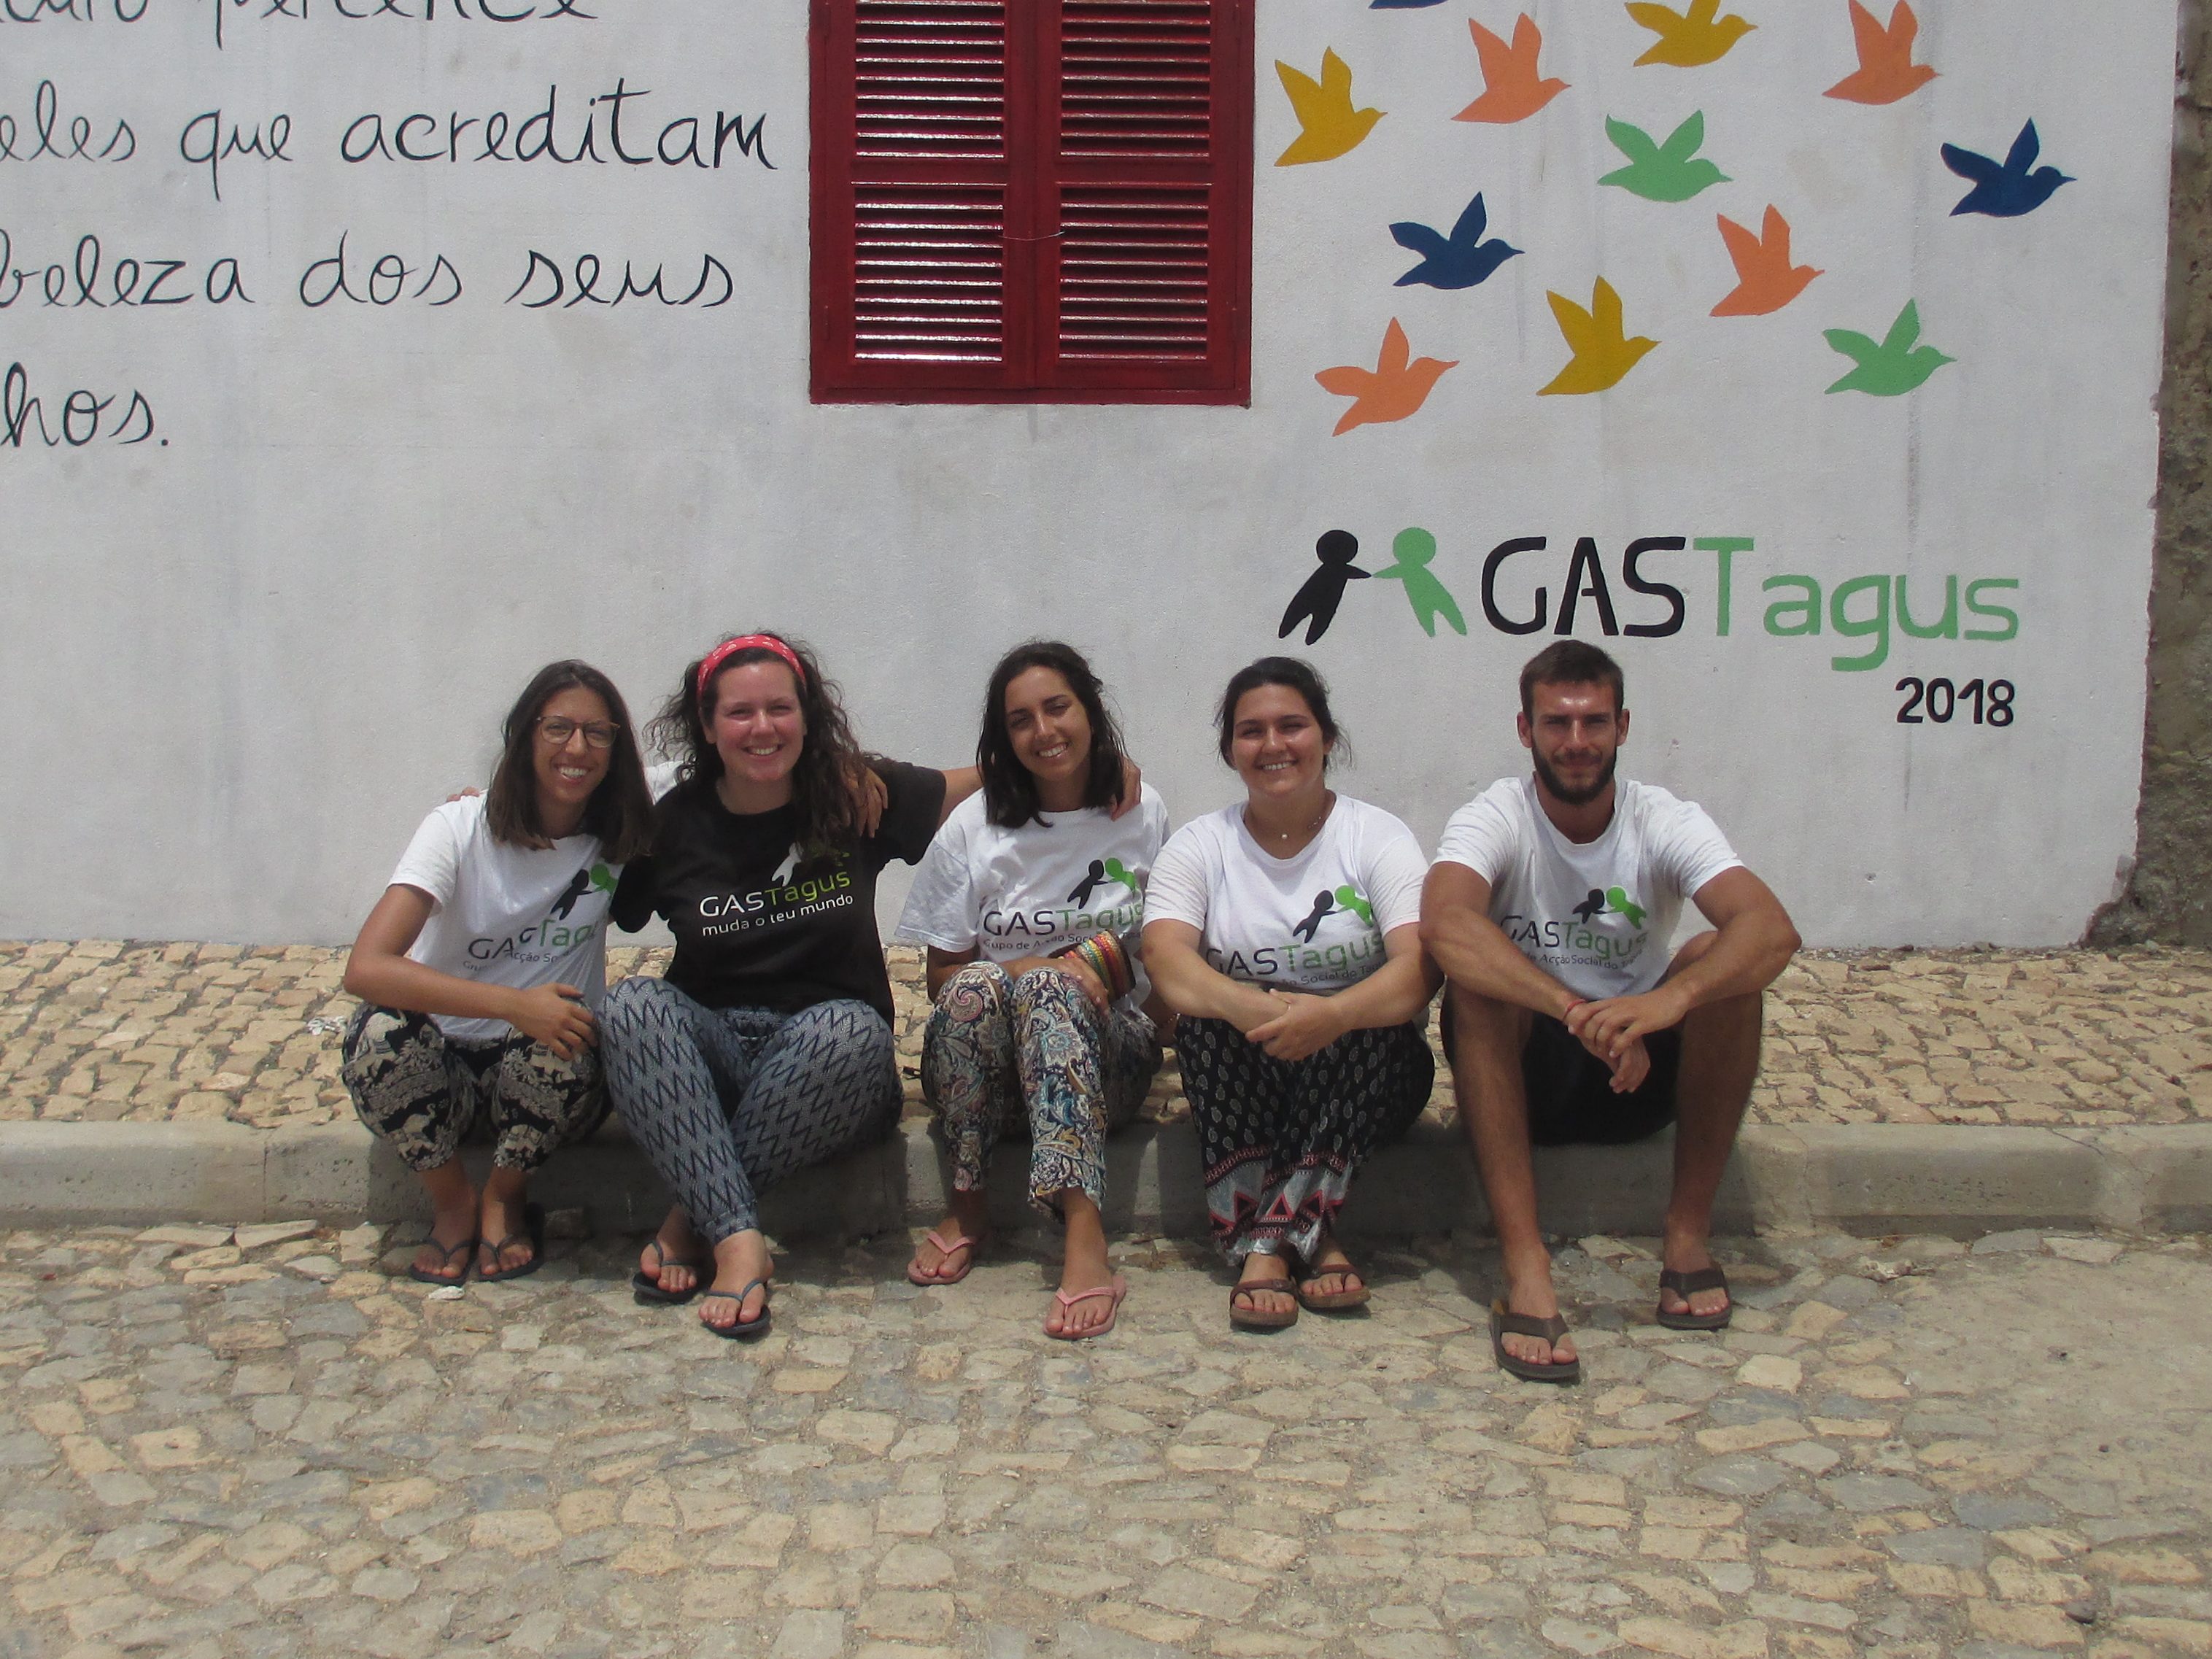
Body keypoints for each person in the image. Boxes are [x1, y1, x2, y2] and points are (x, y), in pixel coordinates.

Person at [1420, 640, 1801, 1384]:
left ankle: (1686, 1237)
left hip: (1641, 1069)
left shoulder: (1661, 817)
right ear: (1526, 730)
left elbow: (1769, 929)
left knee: (1721, 966)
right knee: (1475, 984)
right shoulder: (1495, 814)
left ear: (1622, 727)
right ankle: (1525, 1265)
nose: (1576, 742)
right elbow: (1445, 923)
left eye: (1593, 722)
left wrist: (1666, 1001)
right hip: (1530, 1075)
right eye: (1556, 723)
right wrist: (1573, 1010)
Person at [599, 633, 978, 1338]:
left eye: (780, 708)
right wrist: (478, 812)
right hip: (715, 1060)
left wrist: (1102, 768)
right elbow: (567, 833)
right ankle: (738, 1238)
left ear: (808, 717)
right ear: (707, 726)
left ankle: (692, 1220)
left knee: (847, 1029)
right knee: (629, 1005)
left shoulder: (853, 794)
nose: (763, 728)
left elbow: (989, 779)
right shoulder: (671, 825)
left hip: (835, 1068)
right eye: (739, 713)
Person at [1142, 657, 1440, 1330]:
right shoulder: (1202, 845)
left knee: (1372, 1024)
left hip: (1366, 1076)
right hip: (1253, 1070)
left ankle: (1266, 1245)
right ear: (1230, 750)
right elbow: (1165, 958)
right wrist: (1252, 1007)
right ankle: (1318, 1237)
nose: (1273, 744)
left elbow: (1420, 966)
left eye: (1292, 726)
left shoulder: (1375, 836)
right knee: (1203, 1023)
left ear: (1327, 738)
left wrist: (1332, 1016)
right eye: (1251, 731)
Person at [341, 660, 655, 1285]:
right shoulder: (457, 829)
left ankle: (504, 1196)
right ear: (524, 735)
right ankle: (453, 1200)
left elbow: (737, 759)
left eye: (597, 733)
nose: (577, 749)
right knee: (379, 1036)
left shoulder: (620, 833)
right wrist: (512, 1004)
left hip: (548, 1087)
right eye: (558, 728)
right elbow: (367, 967)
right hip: (447, 1069)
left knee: (570, 1033)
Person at [896, 642, 1169, 1339]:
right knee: (988, 982)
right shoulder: (974, 825)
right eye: (1021, 720)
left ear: (1091, 711)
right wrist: (1021, 969)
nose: (1044, 731)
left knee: (1051, 985)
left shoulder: (1139, 812)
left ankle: (1084, 1234)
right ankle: (968, 1204)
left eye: (1058, 708)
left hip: (1104, 1067)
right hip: (992, 1077)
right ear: (1002, 738)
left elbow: (1165, 952)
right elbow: (941, 976)